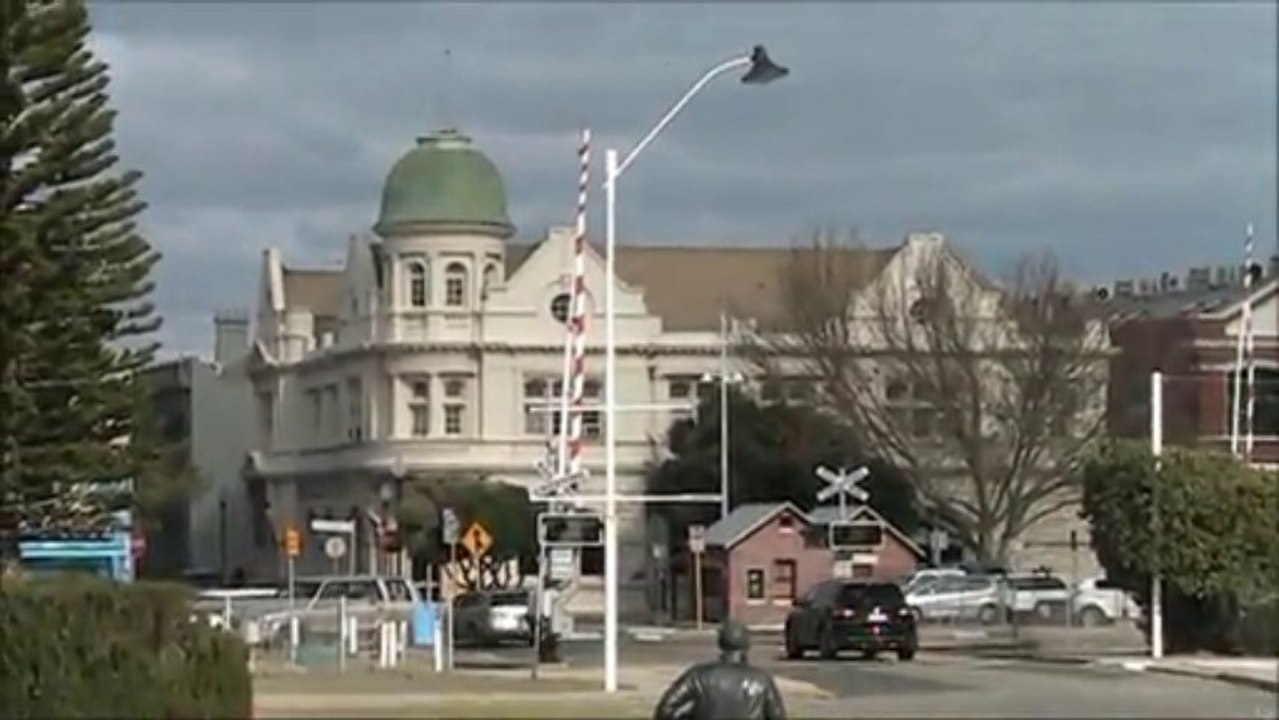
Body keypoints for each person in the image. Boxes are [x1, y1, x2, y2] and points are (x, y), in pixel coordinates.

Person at [653, 619, 787, 720]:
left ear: (720, 643)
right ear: (747, 646)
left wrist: (691, 714)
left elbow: (665, 711)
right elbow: (777, 716)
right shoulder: (762, 681)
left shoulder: (699, 676)